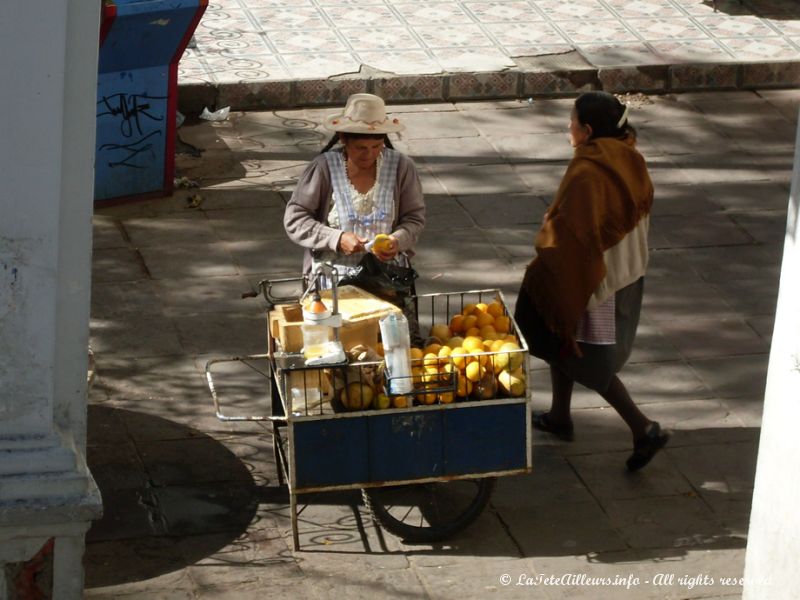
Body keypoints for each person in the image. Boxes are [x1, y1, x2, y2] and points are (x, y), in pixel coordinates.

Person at [514, 91, 670, 472]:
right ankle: (560, 416)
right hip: (627, 270)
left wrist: (548, 254)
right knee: (557, 336)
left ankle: (642, 427)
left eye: (571, 122)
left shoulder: (588, 170)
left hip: (594, 278)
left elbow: (572, 233)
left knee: (588, 359)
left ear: (586, 130)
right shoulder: (628, 154)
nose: (567, 128)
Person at [283, 93, 425, 286]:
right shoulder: (323, 168)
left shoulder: (401, 167)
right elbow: (295, 219)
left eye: (376, 146)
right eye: (360, 148)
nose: (369, 155)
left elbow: (414, 218)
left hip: (387, 278)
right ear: (343, 139)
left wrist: (397, 241)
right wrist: (336, 238)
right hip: (332, 278)